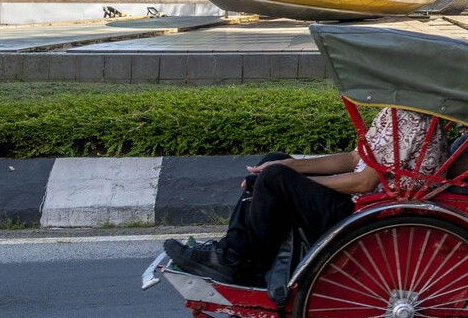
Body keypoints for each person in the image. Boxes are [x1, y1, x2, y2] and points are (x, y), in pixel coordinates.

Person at [164, 106, 451, 286]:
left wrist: (293, 182)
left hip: (370, 214)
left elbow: (364, 182)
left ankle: (235, 259)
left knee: (275, 179)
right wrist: (290, 166)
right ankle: (239, 254)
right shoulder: (394, 112)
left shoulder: (414, 120)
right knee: (275, 163)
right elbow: (355, 158)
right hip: (363, 204)